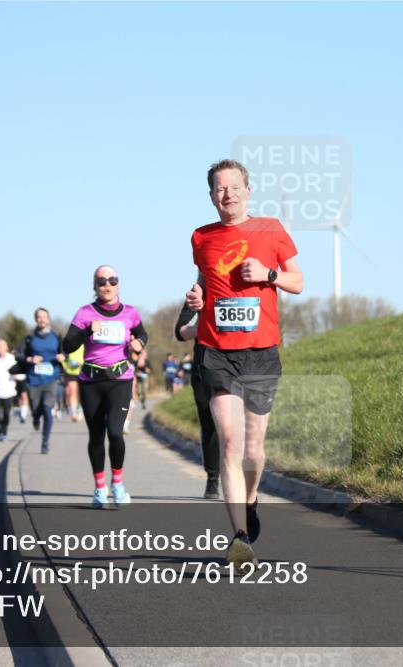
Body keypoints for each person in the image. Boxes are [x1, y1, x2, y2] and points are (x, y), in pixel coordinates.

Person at [186, 159, 303, 569]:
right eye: (219, 188)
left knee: (254, 448)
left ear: (248, 191)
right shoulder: (201, 237)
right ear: (211, 195)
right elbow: (206, 281)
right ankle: (238, 539)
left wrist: (268, 274)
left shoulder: (270, 229)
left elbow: (298, 281)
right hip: (216, 352)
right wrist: (197, 298)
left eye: (234, 187)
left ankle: (251, 501)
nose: (227, 194)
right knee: (231, 443)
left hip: (260, 352)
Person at [63, 265, 148, 509]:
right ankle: (100, 487)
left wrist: (139, 343)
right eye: (101, 281)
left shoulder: (130, 313)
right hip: (91, 382)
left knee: (115, 433)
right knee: (97, 436)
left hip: (120, 380)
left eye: (112, 280)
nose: (107, 285)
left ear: (118, 284)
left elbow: (142, 334)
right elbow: (67, 345)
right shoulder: (85, 313)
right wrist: (87, 331)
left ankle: (118, 484)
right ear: (95, 286)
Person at [175, 304, 220, 499]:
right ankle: (213, 478)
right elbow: (180, 332)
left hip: (239, 364)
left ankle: (238, 474)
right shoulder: (198, 294)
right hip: (204, 366)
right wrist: (204, 323)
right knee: (210, 423)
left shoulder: (242, 291)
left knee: (237, 424)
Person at [22, 307, 64, 454]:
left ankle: (45, 443)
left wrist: (62, 356)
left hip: (51, 378)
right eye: (39, 317)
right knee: (36, 409)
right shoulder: (29, 338)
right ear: (36, 320)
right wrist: (30, 359)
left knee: (47, 409)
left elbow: (65, 352)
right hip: (33, 379)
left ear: (48, 319)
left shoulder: (56, 336)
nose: (42, 319)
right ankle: (35, 418)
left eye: (44, 317)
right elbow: (18, 355)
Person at [62, 344, 84, 422]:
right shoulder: (69, 344)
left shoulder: (85, 343)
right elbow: (63, 358)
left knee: (82, 393)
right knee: (72, 391)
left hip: (83, 371)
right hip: (71, 372)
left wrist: (82, 362)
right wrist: (65, 365)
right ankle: (74, 413)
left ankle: (80, 411)